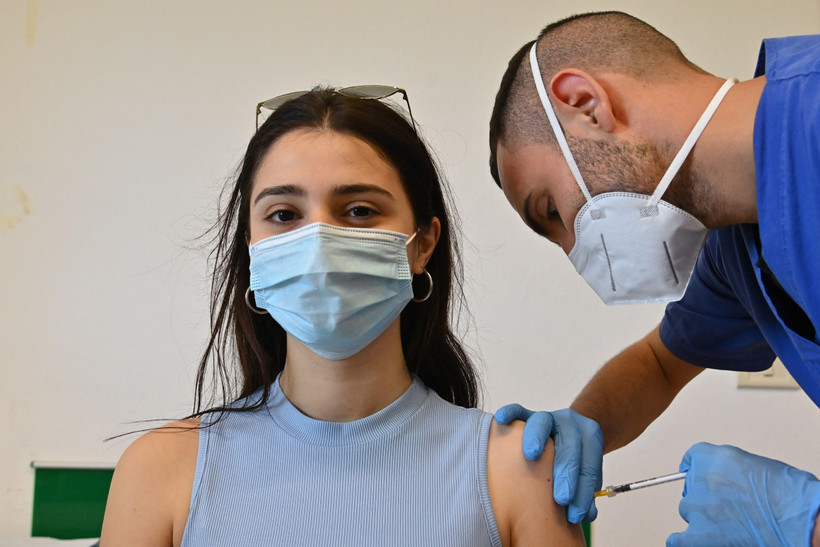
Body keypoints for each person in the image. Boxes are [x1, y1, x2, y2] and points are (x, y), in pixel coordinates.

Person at [100, 87, 584, 546]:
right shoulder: (160, 471)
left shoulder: (518, 471)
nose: (319, 243)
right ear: (253, 251)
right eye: (285, 215)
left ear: (424, 244)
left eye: (358, 210)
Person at [488, 10, 820, 546]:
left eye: (551, 209)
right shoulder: (739, 245)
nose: (574, 249)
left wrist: (806, 527)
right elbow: (659, 365)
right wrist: (572, 435)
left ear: (585, 105)